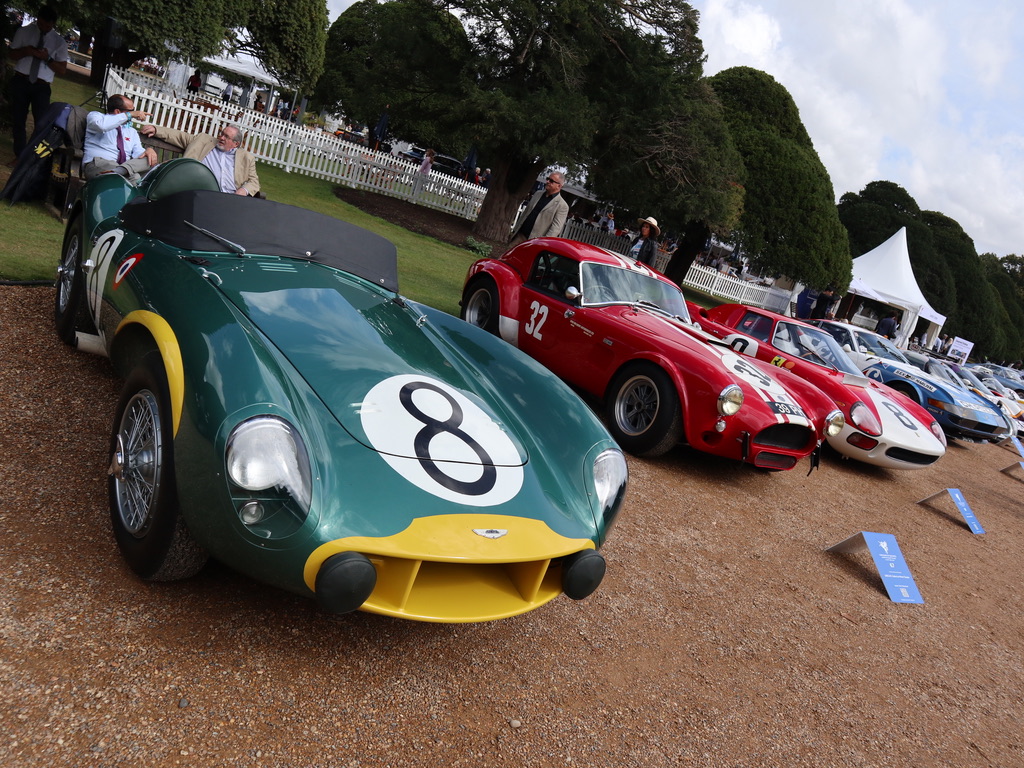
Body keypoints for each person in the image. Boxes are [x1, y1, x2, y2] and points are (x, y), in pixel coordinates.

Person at [8, 6, 69, 158]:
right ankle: (20, 154)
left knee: (42, 122)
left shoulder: (59, 42)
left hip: (41, 85)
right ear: (37, 20)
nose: (44, 28)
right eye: (41, 24)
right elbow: (12, 54)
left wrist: (47, 59)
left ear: (53, 24)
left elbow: (62, 69)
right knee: (18, 119)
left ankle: (33, 155)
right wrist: (27, 51)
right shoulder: (24, 32)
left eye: (48, 26)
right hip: (21, 79)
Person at [140, 122, 260, 196]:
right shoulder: (203, 141)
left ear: (235, 144)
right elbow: (179, 136)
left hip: (229, 199)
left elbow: (254, 182)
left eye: (226, 137)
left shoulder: (246, 158)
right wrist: (156, 130)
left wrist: (243, 190)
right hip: (198, 194)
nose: (221, 138)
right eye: (221, 134)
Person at [82, 95, 158, 182]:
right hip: (98, 164)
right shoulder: (96, 117)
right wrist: (129, 115)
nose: (135, 114)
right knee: (134, 178)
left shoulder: (131, 131)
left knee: (147, 161)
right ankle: (118, 172)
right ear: (118, 112)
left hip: (122, 167)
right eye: (131, 111)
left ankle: (119, 171)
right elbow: (102, 126)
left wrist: (148, 151)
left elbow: (138, 153)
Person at [507, 171, 569, 249]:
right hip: (519, 236)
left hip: (534, 242)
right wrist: (515, 230)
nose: (547, 182)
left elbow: (555, 229)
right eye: (547, 179)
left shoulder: (562, 206)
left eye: (551, 181)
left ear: (559, 186)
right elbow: (526, 213)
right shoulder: (538, 194)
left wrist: (542, 243)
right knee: (507, 257)